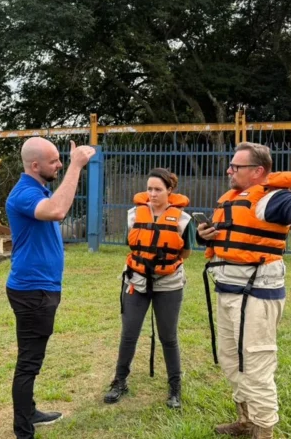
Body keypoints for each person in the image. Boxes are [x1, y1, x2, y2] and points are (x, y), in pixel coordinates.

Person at [197, 131, 291, 439]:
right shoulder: (232, 200)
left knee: (256, 362)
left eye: (235, 166)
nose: (229, 171)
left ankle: (263, 430)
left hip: (257, 296)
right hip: (227, 291)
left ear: (257, 172)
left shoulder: (274, 199)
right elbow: (231, 239)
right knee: (231, 359)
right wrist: (204, 235)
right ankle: (244, 420)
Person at [5, 137, 96, 439]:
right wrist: (76, 166)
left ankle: (29, 412)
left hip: (41, 290)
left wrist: (70, 167)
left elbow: (58, 204)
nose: (59, 164)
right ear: (35, 165)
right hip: (33, 292)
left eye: (60, 159)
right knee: (29, 362)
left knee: (32, 357)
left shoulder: (39, 190)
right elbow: (57, 211)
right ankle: (23, 430)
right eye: (54, 160)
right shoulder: (24, 195)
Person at [103, 168, 192, 409]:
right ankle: (119, 381)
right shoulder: (134, 215)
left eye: (158, 189)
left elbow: (185, 251)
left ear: (170, 191)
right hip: (136, 280)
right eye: (149, 189)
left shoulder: (183, 219)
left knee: (168, 337)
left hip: (169, 283)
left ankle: (175, 388)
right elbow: (129, 244)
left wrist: (165, 264)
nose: (152, 194)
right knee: (129, 334)